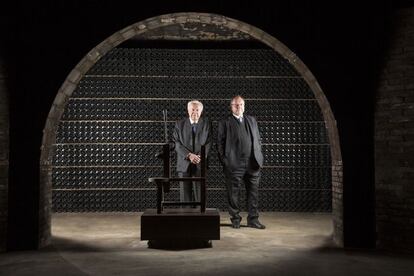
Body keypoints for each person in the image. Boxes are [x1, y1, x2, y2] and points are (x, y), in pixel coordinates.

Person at [217, 95, 265, 229]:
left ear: (244, 106)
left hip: (252, 163)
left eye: (241, 105)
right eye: (236, 105)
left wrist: (259, 155)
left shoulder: (252, 120)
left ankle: (253, 220)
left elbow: (258, 140)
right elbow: (219, 144)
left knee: (253, 193)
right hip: (234, 164)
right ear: (231, 107)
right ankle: (235, 219)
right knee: (233, 194)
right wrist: (225, 161)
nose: (239, 107)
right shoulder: (225, 122)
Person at [173, 100, 211, 205]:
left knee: (200, 195)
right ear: (188, 110)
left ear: (201, 111)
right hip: (184, 164)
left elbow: (209, 142)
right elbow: (176, 143)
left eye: (197, 110)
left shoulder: (206, 124)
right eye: (192, 109)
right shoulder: (179, 124)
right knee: (185, 197)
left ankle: (200, 218)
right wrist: (189, 155)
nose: (195, 112)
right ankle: (185, 218)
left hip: (200, 163)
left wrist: (200, 156)